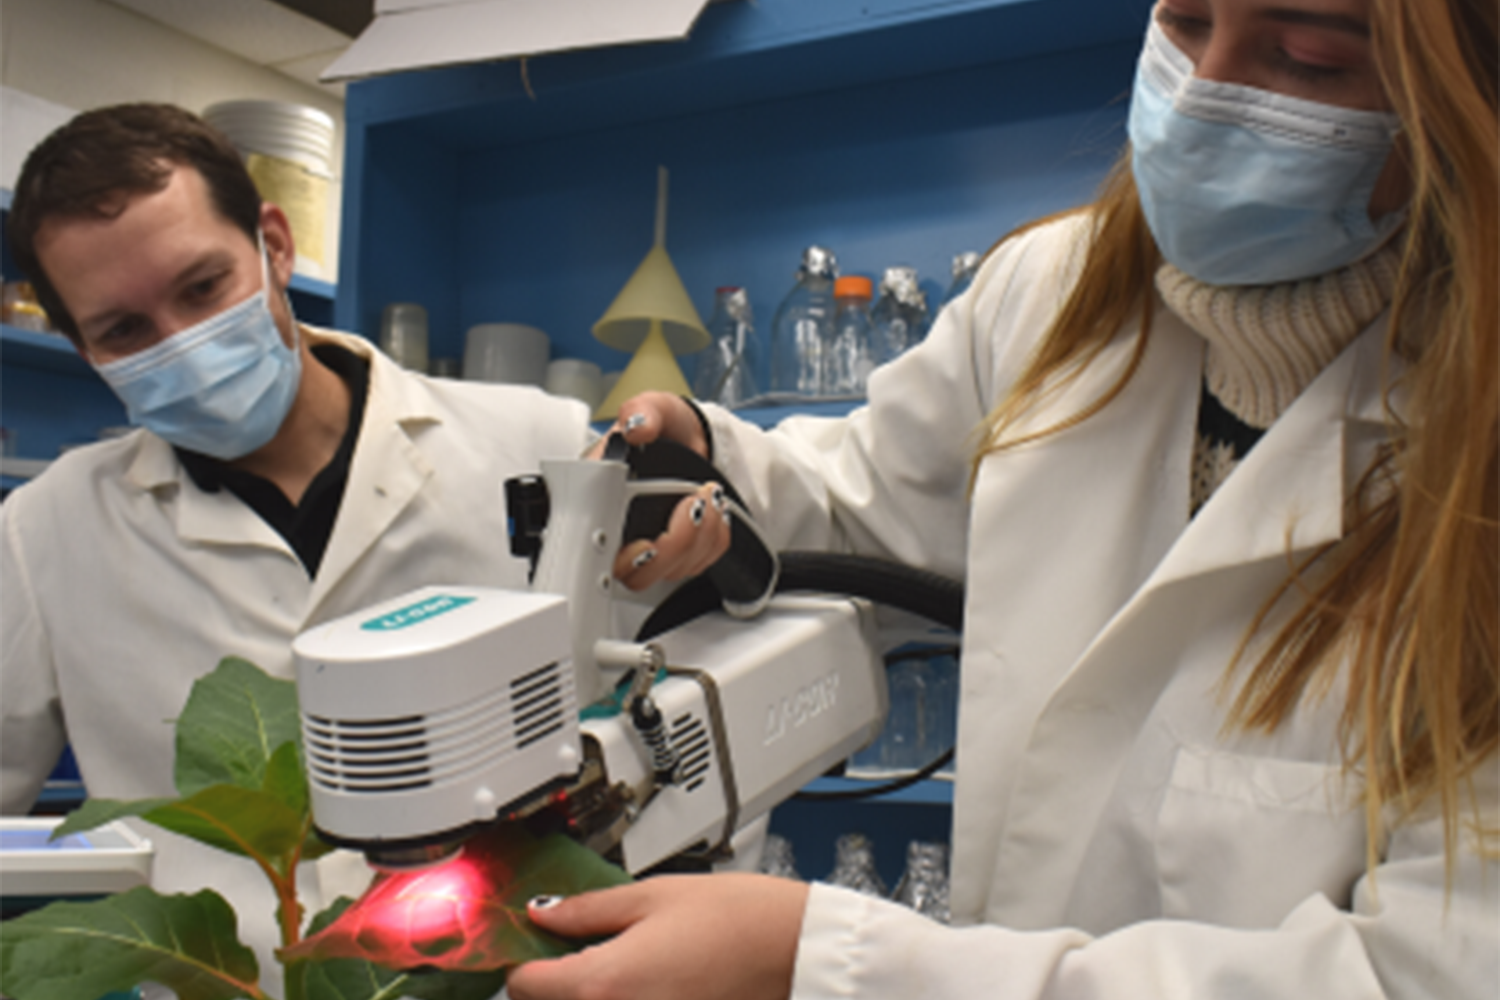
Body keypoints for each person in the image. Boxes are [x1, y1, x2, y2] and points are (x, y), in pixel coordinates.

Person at [506, 1, 1500, 998]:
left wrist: (829, 966)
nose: (1201, 91)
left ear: (1459, 96)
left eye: (1304, 56)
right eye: (1186, 21)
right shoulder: (1048, 296)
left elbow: (1428, 972)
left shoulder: (1478, 472)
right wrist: (715, 468)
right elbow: (867, 520)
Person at [0, 103, 608, 974]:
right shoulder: (45, 531)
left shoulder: (534, 445)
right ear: (80, 346)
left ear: (274, 246)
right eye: (125, 332)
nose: (185, 346)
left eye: (204, 287)